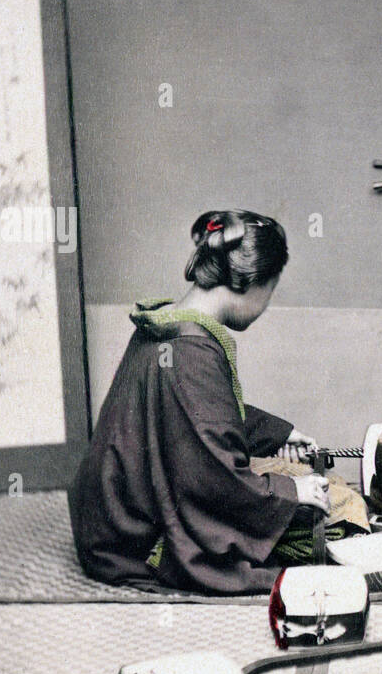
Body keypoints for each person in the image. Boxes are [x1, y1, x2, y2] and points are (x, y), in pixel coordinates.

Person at [68, 209, 332, 594]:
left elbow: (199, 417)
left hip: (106, 516)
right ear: (253, 283)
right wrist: (292, 493)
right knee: (320, 530)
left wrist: (279, 434)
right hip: (133, 541)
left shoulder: (165, 322)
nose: (266, 305)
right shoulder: (190, 350)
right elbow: (210, 477)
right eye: (270, 292)